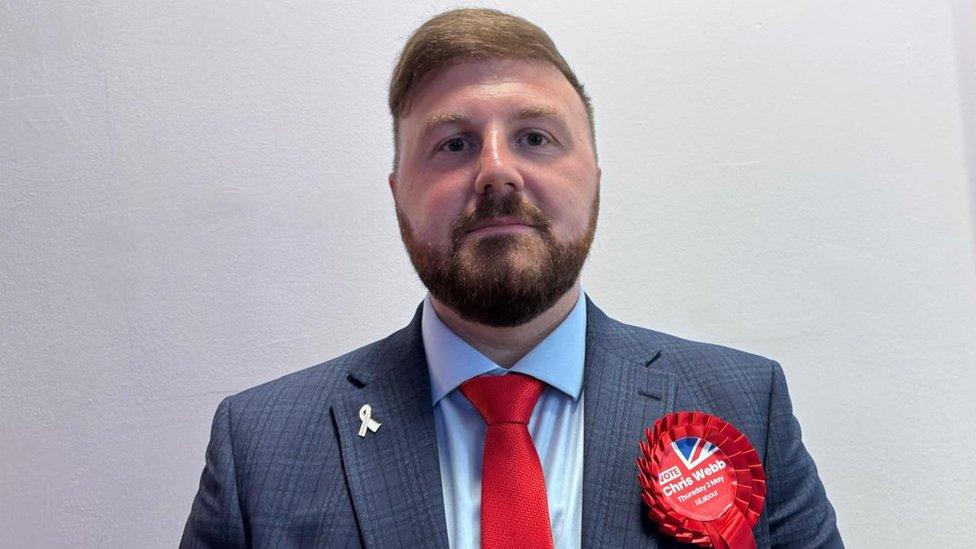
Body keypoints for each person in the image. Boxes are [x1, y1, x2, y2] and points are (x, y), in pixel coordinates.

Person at [181, 8, 842, 548]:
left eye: (535, 138)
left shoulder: (746, 403)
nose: (497, 172)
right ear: (397, 192)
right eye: (454, 144)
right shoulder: (261, 449)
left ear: (595, 179)